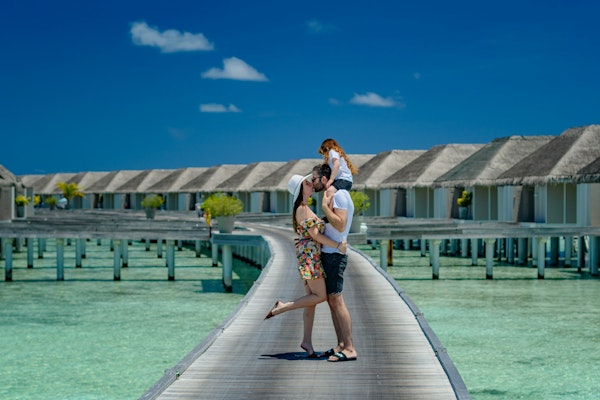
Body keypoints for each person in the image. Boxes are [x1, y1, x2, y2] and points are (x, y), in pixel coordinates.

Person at [264, 173, 347, 358]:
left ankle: (307, 342)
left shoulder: (305, 208)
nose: (312, 184)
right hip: (310, 255)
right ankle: (282, 307)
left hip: (309, 253)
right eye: (308, 183)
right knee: (321, 296)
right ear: (301, 189)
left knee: (311, 301)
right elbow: (316, 235)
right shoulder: (302, 209)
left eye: (310, 182)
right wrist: (338, 246)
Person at [312, 163, 357, 362]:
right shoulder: (336, 195)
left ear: (324, 179)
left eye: (314, 179)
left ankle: (349, 347)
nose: (313, 184)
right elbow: (335, 223)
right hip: (330, 253)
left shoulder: (339, 195)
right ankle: (340, 344)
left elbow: (340, 223)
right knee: (332, 301)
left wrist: (323, 207)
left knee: (337, 300)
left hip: (335, 255)